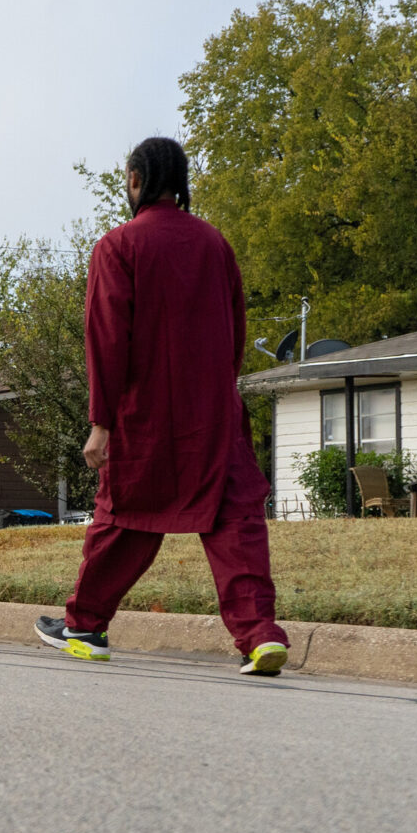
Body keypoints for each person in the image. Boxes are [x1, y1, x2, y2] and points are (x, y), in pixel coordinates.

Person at [34, 136, 289, 675]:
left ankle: (85, 626)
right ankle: (260, 635)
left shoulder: (118, 246)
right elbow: (236, 330)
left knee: (124, 518)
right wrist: (220, 388)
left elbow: (107, 340)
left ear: (135, 180)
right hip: (212, 411)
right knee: (234, 519)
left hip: (143, 414)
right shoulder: (215, 244)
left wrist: (100, 423)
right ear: (179, 182)